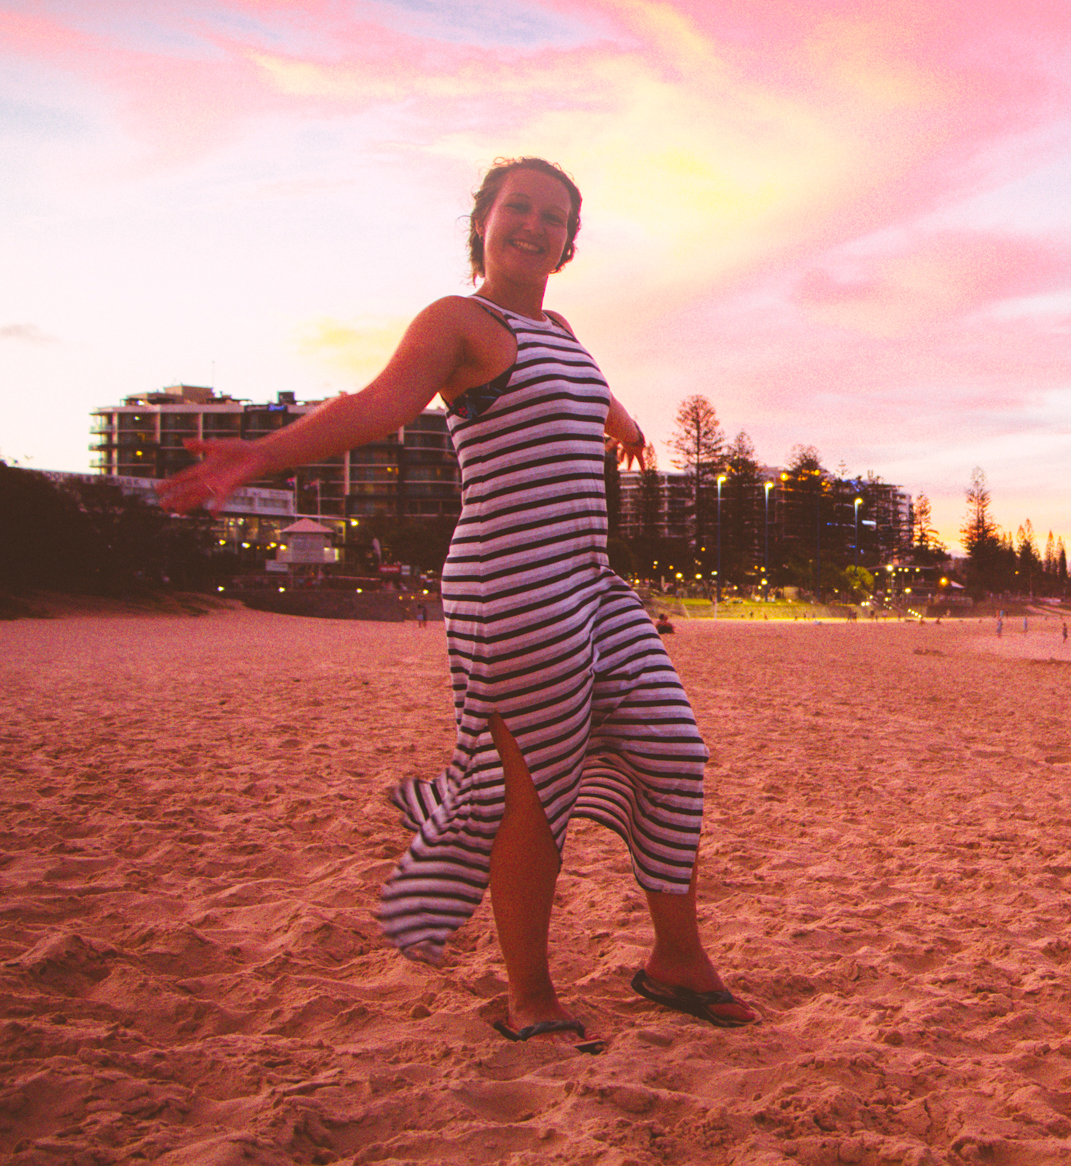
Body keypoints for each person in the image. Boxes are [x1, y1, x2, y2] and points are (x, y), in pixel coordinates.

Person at [159, 157, 754, 1050]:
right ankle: (531, 995)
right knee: (533, 793)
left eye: (554, 217)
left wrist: (626, 427)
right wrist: (260, 455)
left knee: (674, 753)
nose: (535, 226)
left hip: (592, 585)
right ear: (482, 221)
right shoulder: (456, 322)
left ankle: (674, 960)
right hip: (511, 588)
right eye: (518, 208)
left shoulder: (556, 326)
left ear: (569, 241)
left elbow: (589, 394)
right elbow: (377, 404)